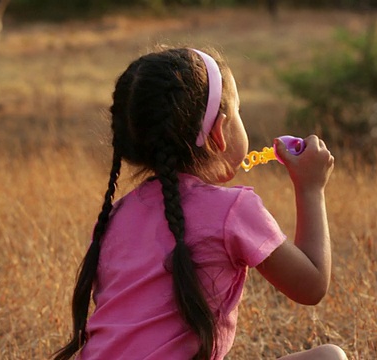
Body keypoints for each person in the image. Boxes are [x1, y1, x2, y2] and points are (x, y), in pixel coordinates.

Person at [53, 47, 346, 360]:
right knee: (330, 357)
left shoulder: (115, 216)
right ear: (218, 133)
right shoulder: (234, 209)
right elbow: (311, 285)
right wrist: (311, 188)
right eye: (238, 112)